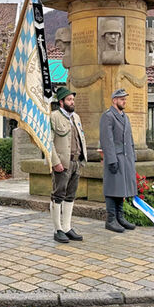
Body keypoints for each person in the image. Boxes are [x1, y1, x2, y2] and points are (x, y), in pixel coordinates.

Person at [49, 87, 87, 243]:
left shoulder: (76, 117)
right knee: (58, 195)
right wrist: (55, 162)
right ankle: (57, 229)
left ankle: (67, 227)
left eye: (73, 99)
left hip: (76, 162)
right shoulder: (54, 117)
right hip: (62, 164)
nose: (72, 102)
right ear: (61, 102)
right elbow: (48, 142)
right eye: (69, 100)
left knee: (70, 196)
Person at [99, 89, 137, 233]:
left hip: (126, 158)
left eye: (125, 99)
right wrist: (111, 160)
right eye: (121, 99)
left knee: (122, 188)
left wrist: (133, 157)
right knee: (112, 188)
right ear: (114, 100)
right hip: (115, 157)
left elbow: (130, 139)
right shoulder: (108, 116)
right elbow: (106, 140)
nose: (124, 101)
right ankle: (111, 220)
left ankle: (120, 217)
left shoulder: (125, 117)